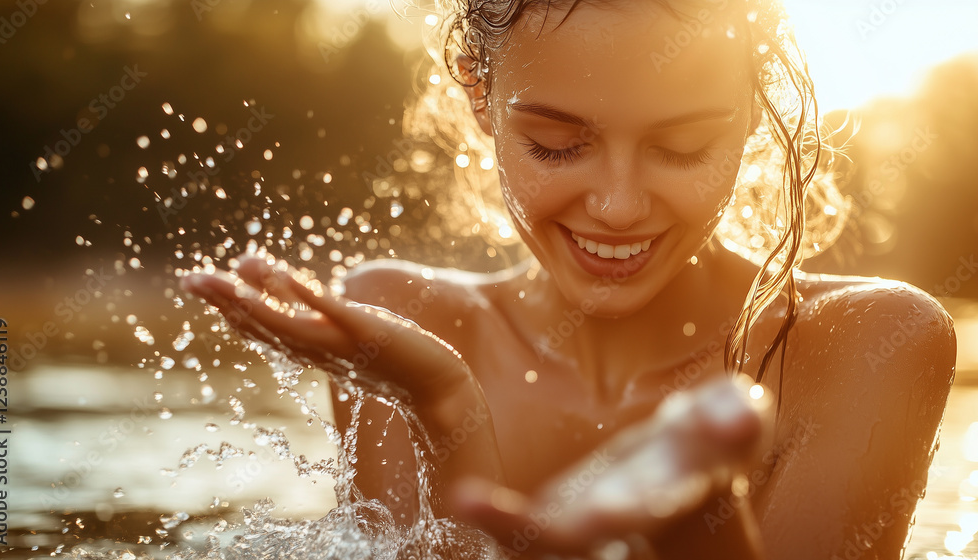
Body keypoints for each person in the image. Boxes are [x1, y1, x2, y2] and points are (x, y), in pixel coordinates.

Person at [181, 0, 957, 558]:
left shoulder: (868, 343)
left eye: (683, 146)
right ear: (478, 95)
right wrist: (446, 406)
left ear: (756, 110)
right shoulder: (407, 323)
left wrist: (701, 520)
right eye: (556, 144)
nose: (618, 206)